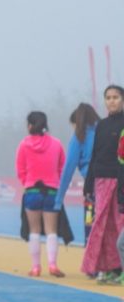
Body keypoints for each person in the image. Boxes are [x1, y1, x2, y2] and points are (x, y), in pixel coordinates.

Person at [15, 111, 66, 277]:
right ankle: (53, 264)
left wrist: (27, 182)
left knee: (34, 230)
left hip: (32, 191)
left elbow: (20, 169)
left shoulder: (24, 145)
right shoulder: (57, 144)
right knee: (51, 230)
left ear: (30, 125)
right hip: (52, 191)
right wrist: (56, 182)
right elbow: (62, 167)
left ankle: (36, 267)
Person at [82, 85, 124, 280]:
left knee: (120, 224)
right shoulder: (102, 125)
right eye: (108, 97)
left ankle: (121, 267)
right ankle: (108, 267)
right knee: (102, 225)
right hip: (101, 180)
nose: (112, 101)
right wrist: (88, 182)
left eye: (116, 97)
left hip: (120, 179)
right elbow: (95, 154)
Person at [54, 103, 99, 244]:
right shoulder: (104, 131)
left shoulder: (79, 137)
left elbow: (68, 169)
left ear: (77, 122)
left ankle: (89, 251)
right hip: (111, 186)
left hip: (92, 190)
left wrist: (58, 200)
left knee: (90, 227)